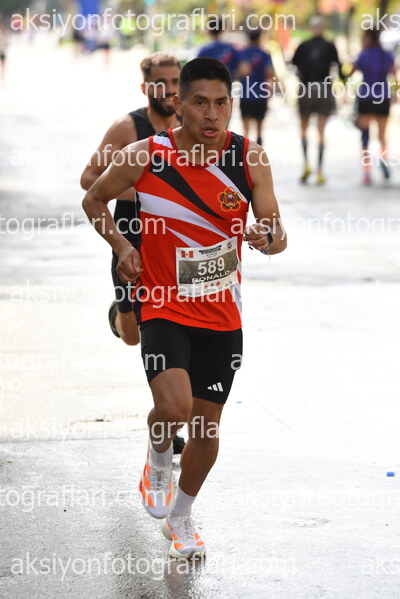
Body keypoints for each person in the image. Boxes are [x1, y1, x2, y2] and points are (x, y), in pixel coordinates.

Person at [82, 57, 287, 559]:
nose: (211, 114)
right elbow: (94, 199)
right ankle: (157, 459)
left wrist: (266, 235)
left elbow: (277, 232)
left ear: (231, 105)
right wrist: (122, 247)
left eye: (221, 103)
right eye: (200, 102)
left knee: (206, 430)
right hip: (163, 304)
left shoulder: (250, 159)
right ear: (180, 103)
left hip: (222, 312)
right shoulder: (145, 155)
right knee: (174, 409)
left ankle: (181, 517)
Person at [80, 52, 185, 455]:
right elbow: (90, 179)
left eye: (175, 82)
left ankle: (170, 415)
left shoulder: (190, 124)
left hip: (176, 248)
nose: (170, 90)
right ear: (145, 87)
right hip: (133, 246)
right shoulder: (128, 127)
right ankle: (119, 314)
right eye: (161, 83)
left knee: (174, 330)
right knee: (132, 336)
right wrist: (144, 191)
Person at [292, 15, 343, 185]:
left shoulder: (303, 45)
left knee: (303, 128)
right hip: (324, 89)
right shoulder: (330, 45)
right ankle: (320, 169)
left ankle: (306, 164)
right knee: (321, 131)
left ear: (311, 28)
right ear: (323, 28)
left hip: (306, 88)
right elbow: (339, 67)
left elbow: (294, 65)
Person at [351, 28, 396, 185]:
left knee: (365, 136)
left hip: (366, 97)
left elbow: (351, 70)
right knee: (382, 135)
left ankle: (367, 171)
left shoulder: (364, 54)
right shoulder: (387, 54)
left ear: (368, 38)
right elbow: (394, 72)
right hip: (383, 97)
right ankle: (383, 159)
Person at [238, 29, 274, 146]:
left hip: (246, 94)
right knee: (259, 129)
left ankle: (243, 153)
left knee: (245, 129)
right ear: (259, 38)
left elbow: (241, 72)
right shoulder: (265, 54)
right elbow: (269, 73)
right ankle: (259, 152)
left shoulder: (242, 53)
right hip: (260, 94)